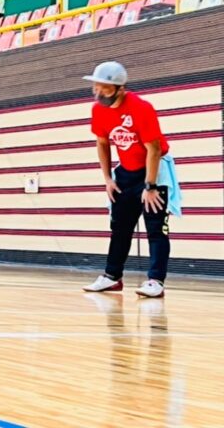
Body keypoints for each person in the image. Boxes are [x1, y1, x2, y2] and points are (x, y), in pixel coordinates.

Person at [82, 61, 177, 298]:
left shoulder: (141, 108)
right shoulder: (98, 110)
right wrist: (108, 178)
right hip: (125, 173)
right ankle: (112, 277)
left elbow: (154, 149)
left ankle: (156, 281)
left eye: (104, 89)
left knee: (156, 229)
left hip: (154, 170)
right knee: (120, 227)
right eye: (96, 87)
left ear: (120, 89)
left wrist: (150, 186)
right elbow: (102, 143)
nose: (98, 93)